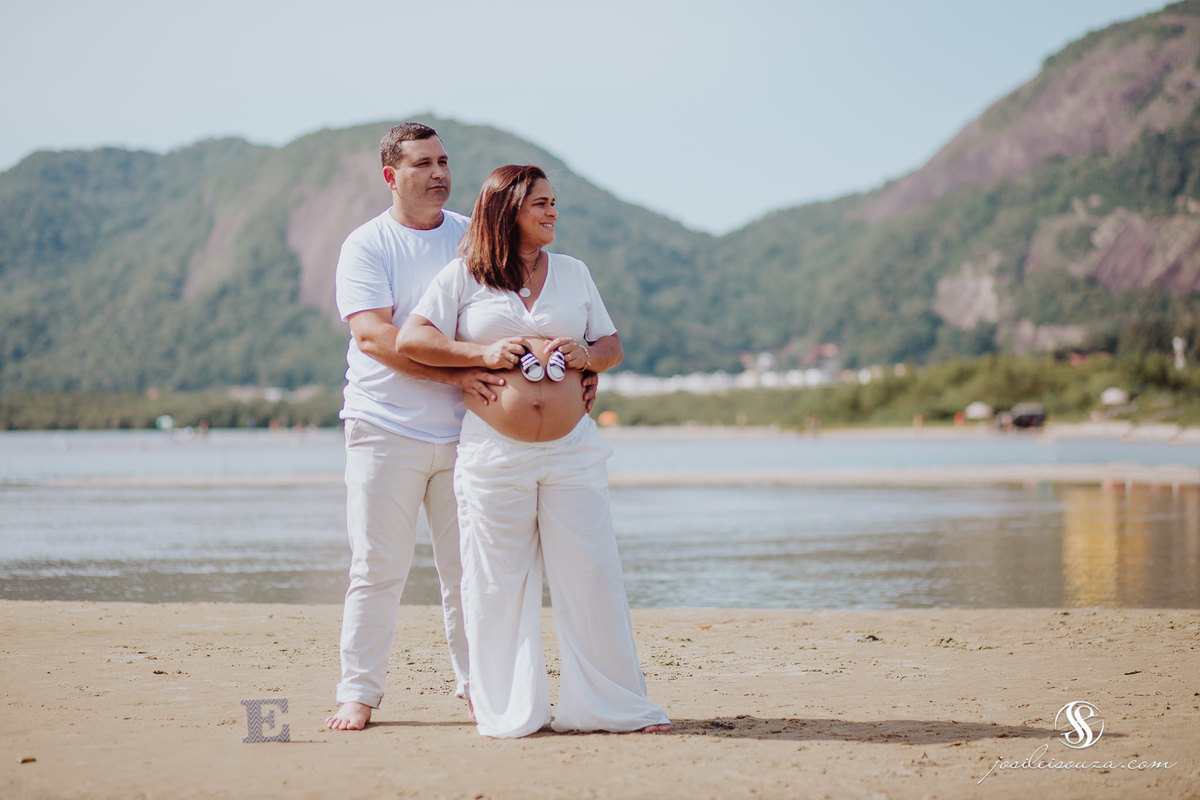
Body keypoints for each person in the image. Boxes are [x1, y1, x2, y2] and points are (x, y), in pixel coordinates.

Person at [397, 165, 671, 738]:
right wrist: (480, 354)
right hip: (495, 456)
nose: (551, 212)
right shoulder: (464, 276)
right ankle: (510, 712)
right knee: (497, 582)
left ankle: (614, 707)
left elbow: (613, 344)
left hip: (573, 452)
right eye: (539, 204)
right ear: (506, 211)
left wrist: (586, 358)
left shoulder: (574, 273)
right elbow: (412, 339)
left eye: (553, 202)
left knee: (592, 575)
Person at [325, 122, 506, 731]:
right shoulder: (367, 245)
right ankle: (359, 693)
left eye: (445, 161)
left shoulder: (469, 238)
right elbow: (373, 335)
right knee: (377, 569)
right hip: (383, 429)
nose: (439, 174)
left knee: (469, 571)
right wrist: (454, 376)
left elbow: (505, 313)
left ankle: (480, 687)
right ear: (391, 176)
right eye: (424, 163)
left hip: (467, 434)